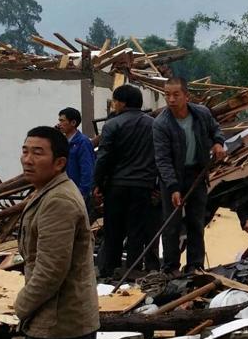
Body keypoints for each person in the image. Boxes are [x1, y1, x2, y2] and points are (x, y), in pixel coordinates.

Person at [15, 126, 100, 339]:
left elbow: (50, 271)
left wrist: (20, 308)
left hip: (58, 324)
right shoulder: (48, 192)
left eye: (38, 153)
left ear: (60, 162)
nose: (28, 159)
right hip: (65, 320)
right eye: (25, 150)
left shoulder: (58, 201)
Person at [153, 77, 227, 273]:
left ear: (186, 96)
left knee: (196, 221)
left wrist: (218, 142)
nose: (171, 99)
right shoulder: (161, 123)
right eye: (167, 95)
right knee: (172, 224)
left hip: (197, 172)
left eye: (176, 95)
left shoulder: (201, 114)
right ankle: (170, 266)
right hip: (173, 177)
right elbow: (162, 160)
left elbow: (216, 130)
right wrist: (173, 187)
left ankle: (195, 264)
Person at [92, 85, 158, 278]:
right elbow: (160, 156)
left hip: (117, 186)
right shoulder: (153, 125)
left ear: (122, 102)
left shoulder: (112, 125)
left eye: (115, 101)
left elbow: (103, 157)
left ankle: (108, 270)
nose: (114, 105)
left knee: (114, 229)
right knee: (136, 230)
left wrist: (97, 183)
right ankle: (132, 269)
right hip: (143, 186)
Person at [56, 107, 95, 207]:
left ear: (73, 123)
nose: (59, 124)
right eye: (59, 120)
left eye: (62, 120)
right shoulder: (62, 142)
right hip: (64, 191)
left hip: (78, 192)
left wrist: (82, 192)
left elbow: (87, 169)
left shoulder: (83, 142)